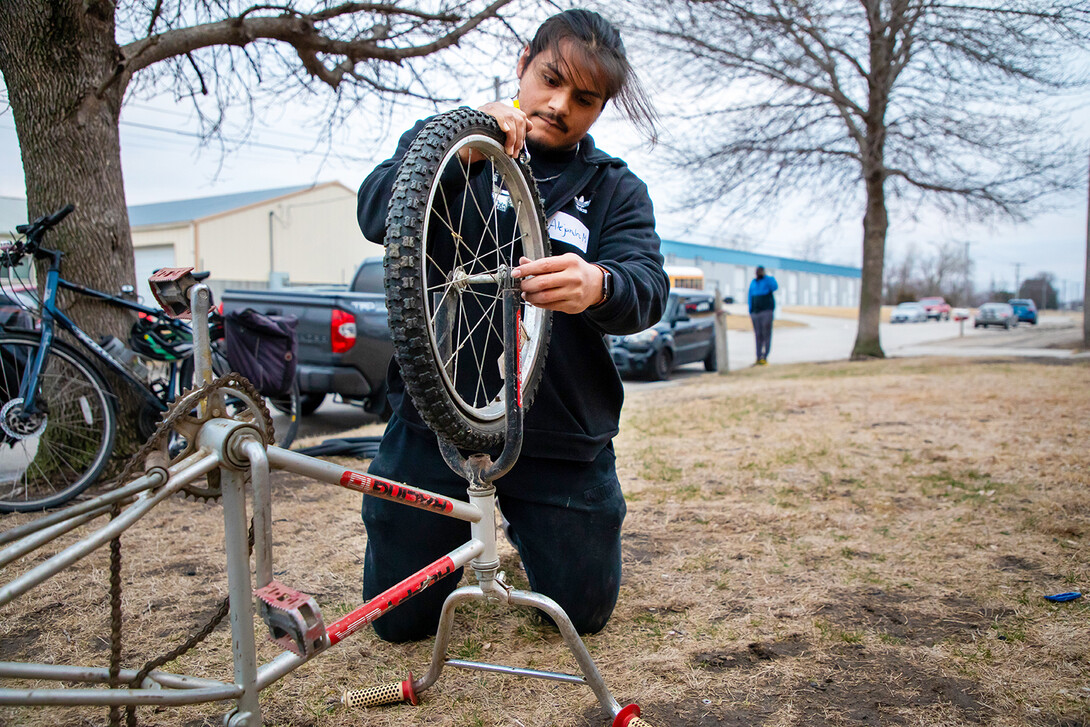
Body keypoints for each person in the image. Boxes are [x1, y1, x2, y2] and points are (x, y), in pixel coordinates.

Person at [355, 9, 669, 643]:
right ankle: (447, 539)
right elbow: (375, 210)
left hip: (559, 429)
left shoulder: (614, 188)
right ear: (524, 62)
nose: (559, 106)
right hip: (436, 415)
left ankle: (535, 532)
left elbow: (648, 289)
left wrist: (596, 285)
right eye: (550, 79)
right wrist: (462, 143)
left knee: (580, 615)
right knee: (398, 624)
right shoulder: (446, 142)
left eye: (586, 99)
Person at [748, 266, 778, 365]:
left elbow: (774, 287)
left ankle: (765, 357)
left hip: (766, 311)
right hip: (755, 313)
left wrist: (767, 276)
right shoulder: (753, 282)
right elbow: (750, 296)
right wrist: (751, 311)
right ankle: (758, 356)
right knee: (758, 335)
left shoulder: (768, 281)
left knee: (766, 334)